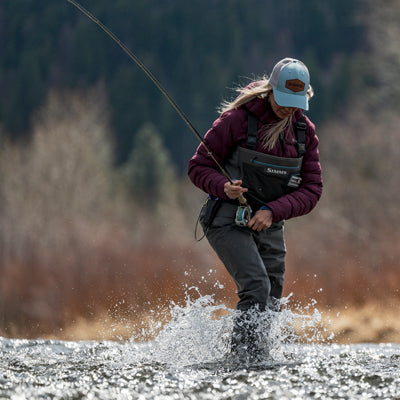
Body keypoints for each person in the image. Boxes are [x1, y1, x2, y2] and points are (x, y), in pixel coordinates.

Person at [188, 58, 323, 361]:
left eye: (295, 103)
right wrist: (222, 187)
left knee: (272, 296)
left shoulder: (304, 132)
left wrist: (273, 212)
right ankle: (240, 362)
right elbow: (197, 167)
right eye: (283, 101)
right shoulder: (236, 120)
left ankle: (258, 359)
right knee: (256, 286)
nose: (288, 109)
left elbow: (313, 190)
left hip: (269, 222)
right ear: (270, 90)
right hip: (226, 219)